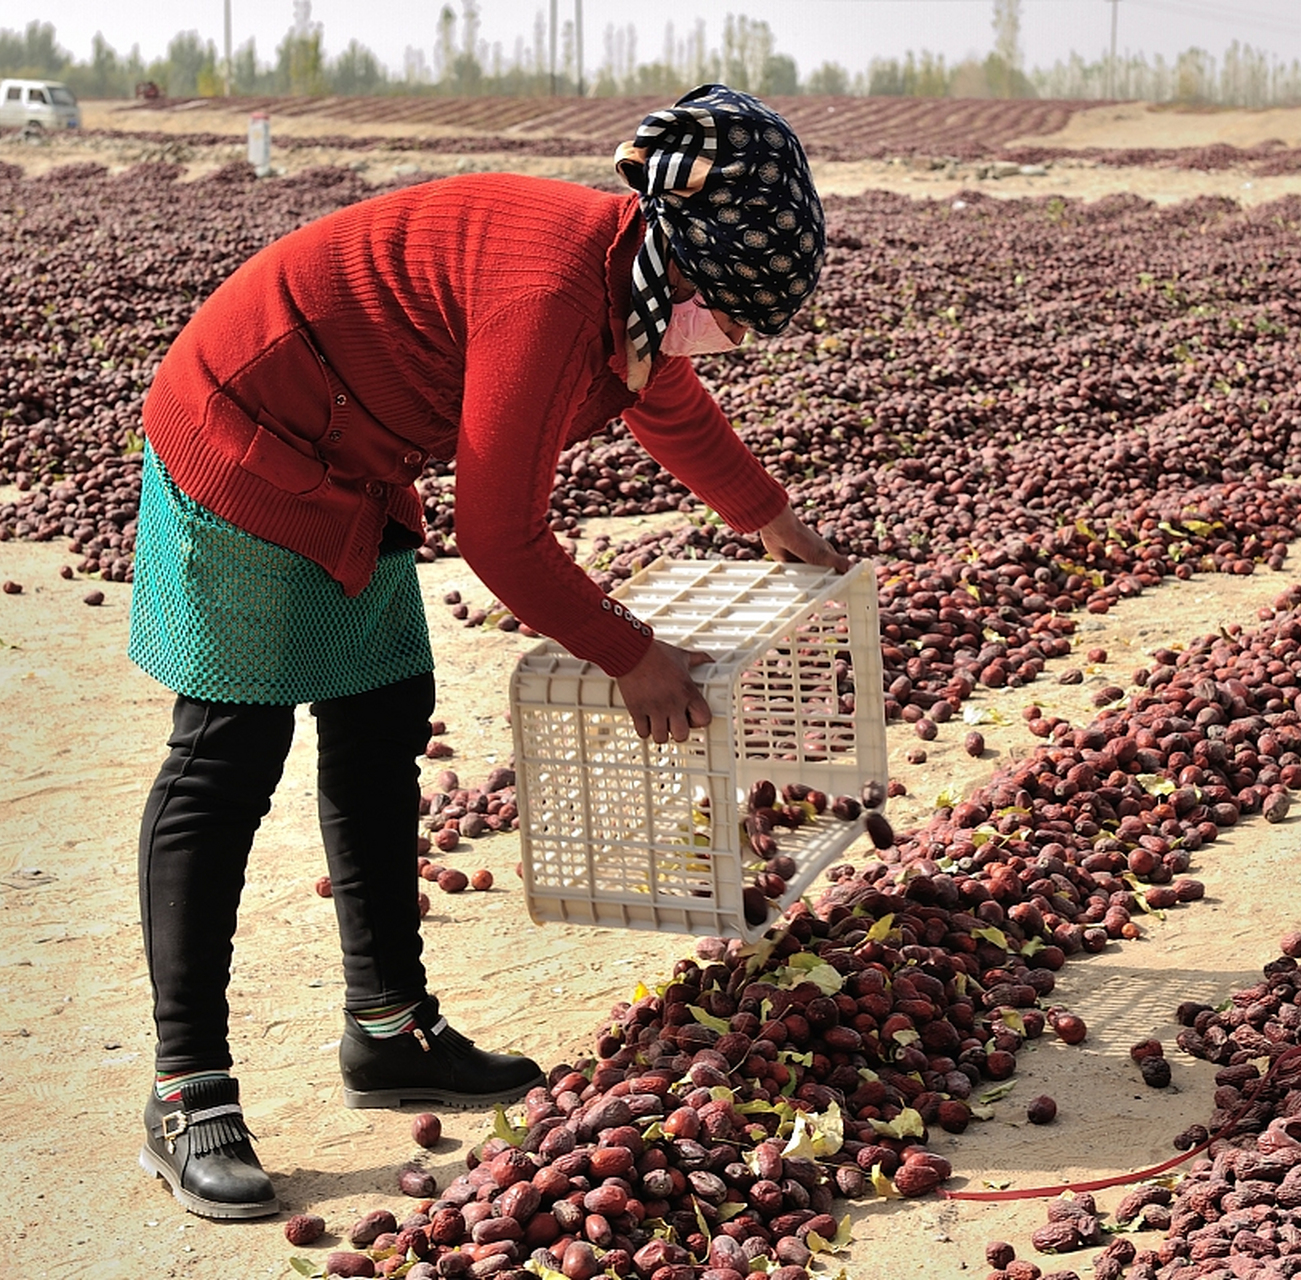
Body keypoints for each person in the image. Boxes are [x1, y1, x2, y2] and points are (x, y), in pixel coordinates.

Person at [129, 85, 846, 1220]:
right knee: (229, 752)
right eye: (735, 316)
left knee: (379, 716)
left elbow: (667, 400)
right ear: (689, 269)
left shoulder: (628, 272)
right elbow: (504, 536)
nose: (733, 339)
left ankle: (389, 1027)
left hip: (346, 451)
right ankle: (188, 1090)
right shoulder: (553, 290)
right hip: (247, 431)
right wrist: (631, 653)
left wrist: (768, 514)